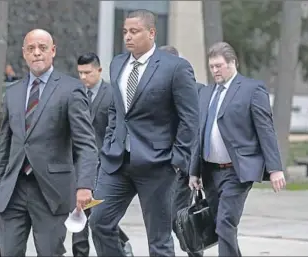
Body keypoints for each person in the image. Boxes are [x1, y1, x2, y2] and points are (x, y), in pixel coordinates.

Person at [89, 9, 199, 257]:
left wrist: (177, 160)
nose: (128, 36)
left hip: (158, 164)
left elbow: (190, 119)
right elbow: (117, 111)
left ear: (151, 33)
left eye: (134, 31)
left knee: (158, 240)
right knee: (99, 222)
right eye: (125, 31)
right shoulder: (117, 64)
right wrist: (110, 141)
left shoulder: (176, 68)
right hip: (117, 161)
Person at [0, 29, 99, 256]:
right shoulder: (12, 93)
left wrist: (84, 185)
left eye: (42, 47)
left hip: (52, 192)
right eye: (31, 49)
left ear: (53, 50)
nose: (37, 53)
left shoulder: (71, 89)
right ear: (24, 53)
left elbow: (86, 144)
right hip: (13, 192)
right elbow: (5, 148)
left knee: (50, 252)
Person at [189, 41, 286, 257]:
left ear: (233, 63)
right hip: (210, 172)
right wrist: (194, 171)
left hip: (237, 171)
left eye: (219, 66)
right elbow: (200, 134)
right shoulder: (206, 93)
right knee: (221, 227)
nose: (215, 71)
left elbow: (266, 130)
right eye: (212, 66)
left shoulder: (252, 89)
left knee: (225, 223)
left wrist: (275, 168)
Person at [73, 52, 134, 257]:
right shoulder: (75, 94)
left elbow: (117, 128)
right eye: (80, 73)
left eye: (88, 73)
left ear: (99, 70)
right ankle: (80, 252)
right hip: (79, 165)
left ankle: (120, 241)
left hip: (103, 165)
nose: (83, 77)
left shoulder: (111, 94)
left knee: (98, 214)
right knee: (79, 212)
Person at [159, 44, 203, 257]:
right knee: (169, 220)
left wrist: (196, 169)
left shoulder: (198, 91)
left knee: (177, 218)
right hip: (163, 165)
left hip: (185, 167)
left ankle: (195, 251)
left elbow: (198, 131)